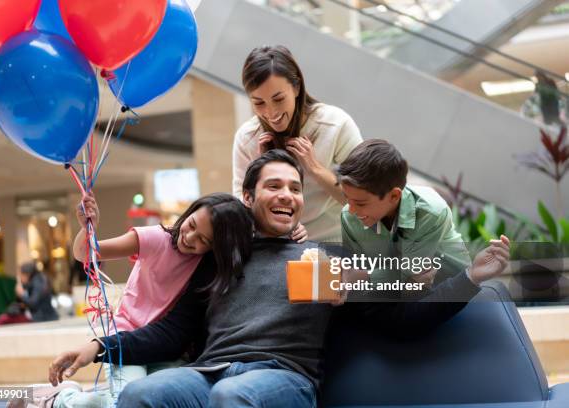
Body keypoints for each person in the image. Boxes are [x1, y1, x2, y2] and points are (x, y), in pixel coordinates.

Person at [48, 150, 510, 408]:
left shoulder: (325, 259)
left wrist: (469, 278)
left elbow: (399, 318)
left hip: (283, 380)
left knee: (234, 397)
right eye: (274, 186)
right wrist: (97, 347)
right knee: (143, 394)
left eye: (294, 188)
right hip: (208, 372)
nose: (287, 195)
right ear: (248, 197)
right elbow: (171, 332)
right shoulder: (220, 260)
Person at [48, 192, 254, 408]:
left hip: (163, 349)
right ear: (189, 213)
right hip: (125, 337)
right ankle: (63, 400)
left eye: (204, 239)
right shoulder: (155, 238)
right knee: (124, 400)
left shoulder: (205, 265)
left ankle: (63, 400)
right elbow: (85, 253)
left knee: (155, 400)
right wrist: (87, 228)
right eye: (191, 225)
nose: (190, 238)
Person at [233, 45, 363, 241]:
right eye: (259, 103)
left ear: (296, 87)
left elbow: (364, 199)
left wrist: (315, 168)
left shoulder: (335, 124)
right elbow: (240, 208)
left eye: (278, 99)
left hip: (335, 244)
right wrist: (259, 174)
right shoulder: (247, 137)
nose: (271, 112)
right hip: (275, 248)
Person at [338, 139, 473, 291]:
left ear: (394, 196)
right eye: (346, 198)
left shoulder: (431, 212)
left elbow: (409, 271)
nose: (351, 210)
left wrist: (363, 277)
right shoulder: (349, 217)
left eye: (361, 203)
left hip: (451, 290)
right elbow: (353, 268)